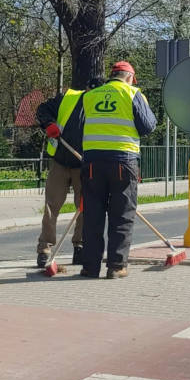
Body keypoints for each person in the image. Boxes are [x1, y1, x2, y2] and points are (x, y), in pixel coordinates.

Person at [79, 61, 157, 279]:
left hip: (93, 161)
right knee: (122, 214)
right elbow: (148, 126)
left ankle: (89, 267)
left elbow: (81, 125)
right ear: (130, 77)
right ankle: (116, 266)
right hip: (123, 160)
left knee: (93, 215)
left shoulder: (90, 95)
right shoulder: (132, 94)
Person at [36, 85, 88, 268]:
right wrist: (49, 124)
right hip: (60, 161)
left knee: (84, 208)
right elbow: (42, 109)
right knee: (51, 206)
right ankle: (44, 248)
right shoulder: (67, 98)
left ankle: (80, 246)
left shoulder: (101, 106)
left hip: (84, 165)